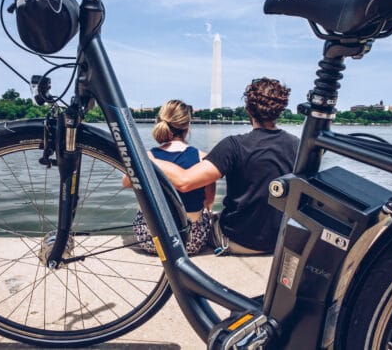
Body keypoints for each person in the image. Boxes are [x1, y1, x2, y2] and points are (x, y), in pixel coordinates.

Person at [151, 78, 299, 255]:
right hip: (280, 241)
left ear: (248, 109)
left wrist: (144, 157)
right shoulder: (298, 145)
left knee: (207, 218)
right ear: (281, 109)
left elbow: (184, 181)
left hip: (237, 240)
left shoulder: (233, 146)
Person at [123, 100, 216, 255]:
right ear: (187, 126)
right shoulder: (203, 158)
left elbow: (125, 181)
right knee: (207, 212)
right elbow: (209, 202)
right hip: (191, 242)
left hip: (151, 239)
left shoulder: (148, 157)